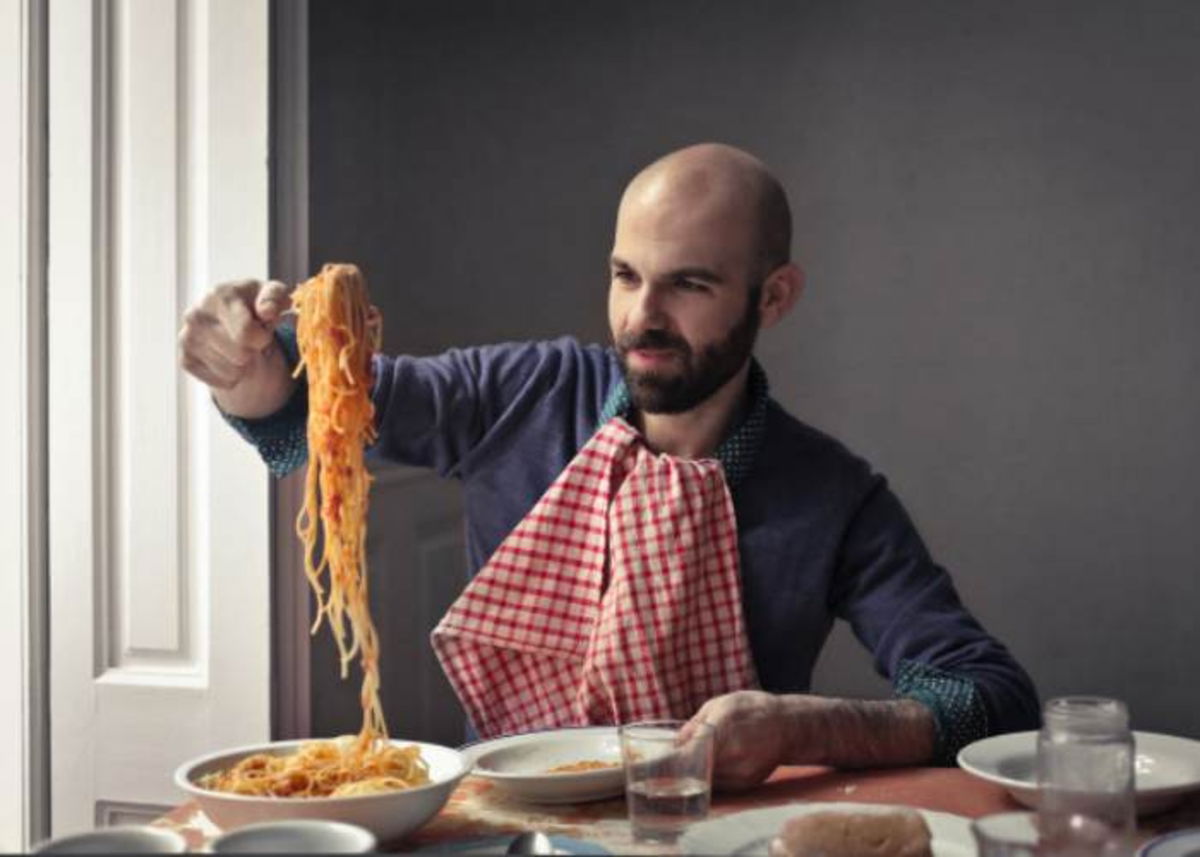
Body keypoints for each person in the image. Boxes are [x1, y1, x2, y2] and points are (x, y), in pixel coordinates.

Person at [178, 143, 1039, 791]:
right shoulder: (524, 393)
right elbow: (323, 400)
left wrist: (802, 727)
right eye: (626, 276)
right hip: (509, 828)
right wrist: (248, 372)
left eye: (688, 285)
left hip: (713, 833)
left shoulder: (831, 494)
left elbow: (991, 698)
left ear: (774, 296)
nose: (641, 317)